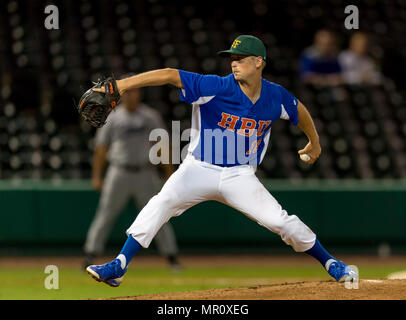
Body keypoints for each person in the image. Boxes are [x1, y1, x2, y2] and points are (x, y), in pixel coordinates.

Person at [85, 35, 358, 287]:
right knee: (160, 203)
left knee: (281, 222)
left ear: (259, 62)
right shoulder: (216, 86)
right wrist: (119, 86)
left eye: (240, 58)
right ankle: (119, 265)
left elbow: (298, 110)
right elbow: (169, 75)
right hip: (198, 168)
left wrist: (315, 141)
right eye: (232, 58)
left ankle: (331, 263)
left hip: (240, 175)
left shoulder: (276, 96)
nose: (234, 63)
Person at [83, 82, 182, 271]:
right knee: (105, 215)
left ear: (140, 94)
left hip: (145, 172)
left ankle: (171, 257)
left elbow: (163, 146)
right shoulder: (113, 117)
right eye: (127, 92)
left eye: (134, 91)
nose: (130, 95)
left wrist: (169, 174)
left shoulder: (150, 116)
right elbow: (101, 147)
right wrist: (97, 175)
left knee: (158, 213)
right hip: (118, 171)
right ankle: (90, 254)